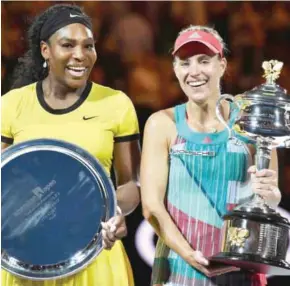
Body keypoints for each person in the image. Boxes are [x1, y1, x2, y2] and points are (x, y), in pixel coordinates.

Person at [1, 4, 140, 286]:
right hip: (28, 257)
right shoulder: (11, 105)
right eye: (68, 44)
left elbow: (130, 185)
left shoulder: (117, 104)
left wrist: (115, 211)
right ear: (45, 50)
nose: (80, 55)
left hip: (95, 255)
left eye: (88, 46)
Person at [140, 25, 281, 286]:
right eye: (185, 63)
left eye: (204, 61)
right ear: (175, 69)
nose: (194, 71)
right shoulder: (162, 124)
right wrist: (190, 256)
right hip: (178, 269)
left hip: (239, 270)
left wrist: (271, 196)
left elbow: (269, 199)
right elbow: (151, 207)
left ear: (222, 65)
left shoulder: (253, 121)